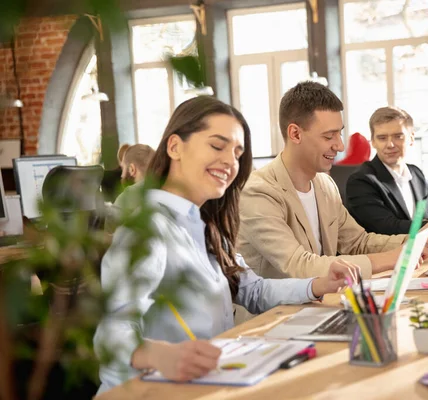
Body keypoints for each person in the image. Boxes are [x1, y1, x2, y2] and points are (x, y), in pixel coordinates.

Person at [93, 96, 359, 393]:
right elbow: (111, 331)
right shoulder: (145, 228)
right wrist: (159, 355)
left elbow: (251, 289)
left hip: (210, 383)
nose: (230, 161)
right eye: (217, 146)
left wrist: (318, 284)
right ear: (174, 147)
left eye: (237, 153)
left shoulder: (206, 226)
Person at [238, 82, 428, 281]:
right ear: (295, 133)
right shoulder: (258, 192)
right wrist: (391, 258)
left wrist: (410, 241)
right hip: (272, 315)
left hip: (320, 304)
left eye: (339, 134)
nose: (339, 146)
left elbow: (357, 242)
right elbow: (298, 265)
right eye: (329, 137)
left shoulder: (325, 185)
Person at [345, 106, 428, 235]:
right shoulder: (361, 181)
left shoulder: (415, 173)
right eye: (382, 138)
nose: (390, 144)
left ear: (411, 138)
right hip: (387, 254)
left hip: (425, 251)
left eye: (398, 136)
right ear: (373, 142)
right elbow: (387, 227)